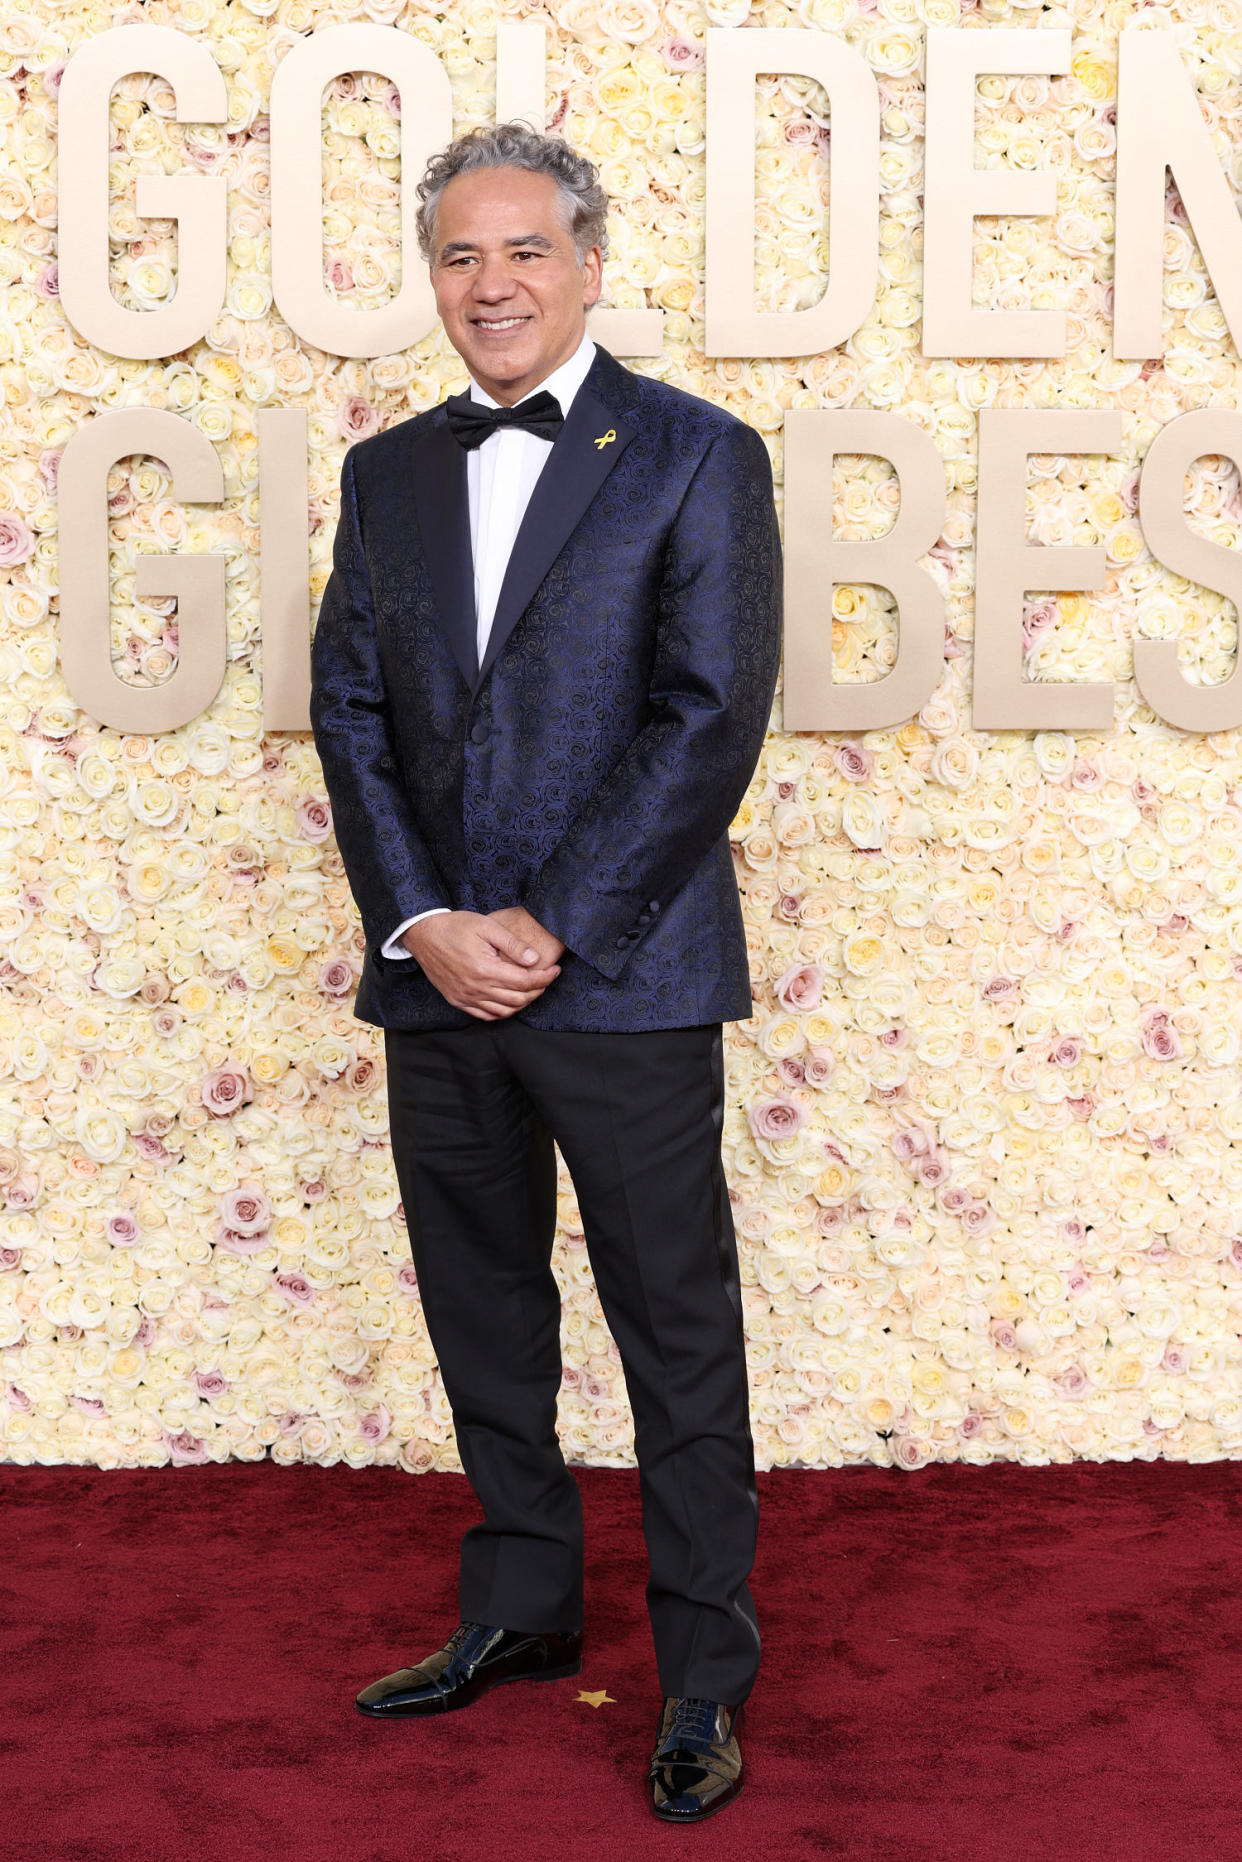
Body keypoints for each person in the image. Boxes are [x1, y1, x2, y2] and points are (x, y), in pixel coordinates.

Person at [308, 121, 782, 1825]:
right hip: (436, 974)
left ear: (586, 262)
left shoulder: (694, 453)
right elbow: (349, 710)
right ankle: (514, 1606)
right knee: (482, 1309)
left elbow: (706, 711)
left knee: (674, 1329)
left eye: (521, 251)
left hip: (628, 974)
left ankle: (701, 1678)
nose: (489, 284)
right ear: (432, 277)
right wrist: (426, 917)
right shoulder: (385, 473)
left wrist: (551, 923)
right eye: (458, 255)